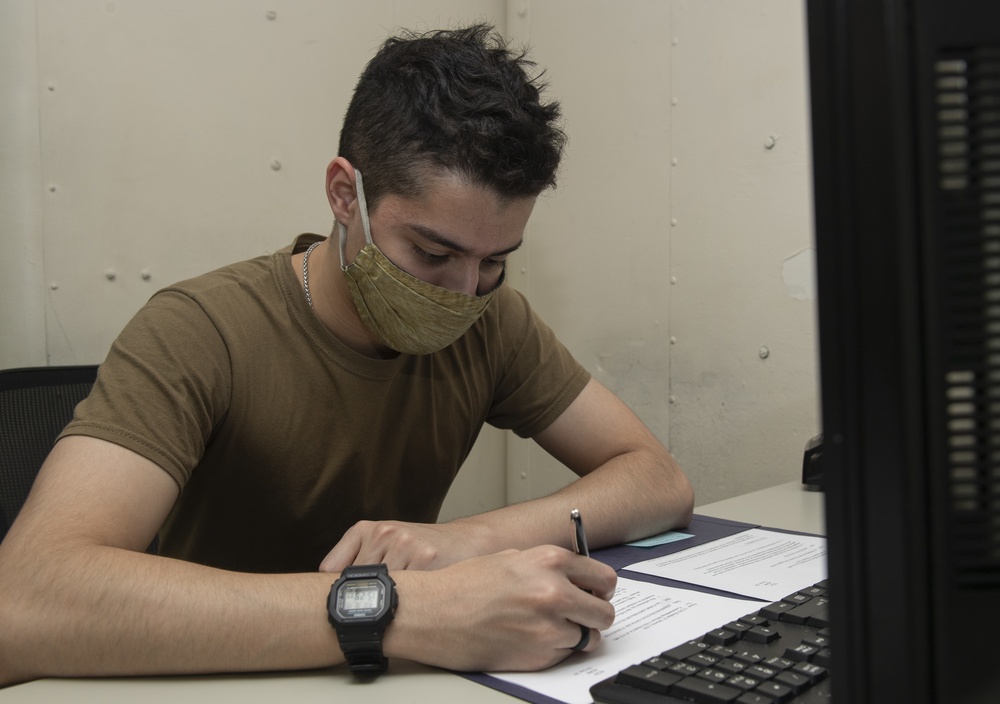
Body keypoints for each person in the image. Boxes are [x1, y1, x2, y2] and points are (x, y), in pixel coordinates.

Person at [0, 23, 693, 686]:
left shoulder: (492, 319)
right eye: (432, 252)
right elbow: (24, 601)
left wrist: (471, 540)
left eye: (494, 261)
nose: (461, 292)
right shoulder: (200, 330)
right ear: (344, 195)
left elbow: (657, 480)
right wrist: (400, 608)